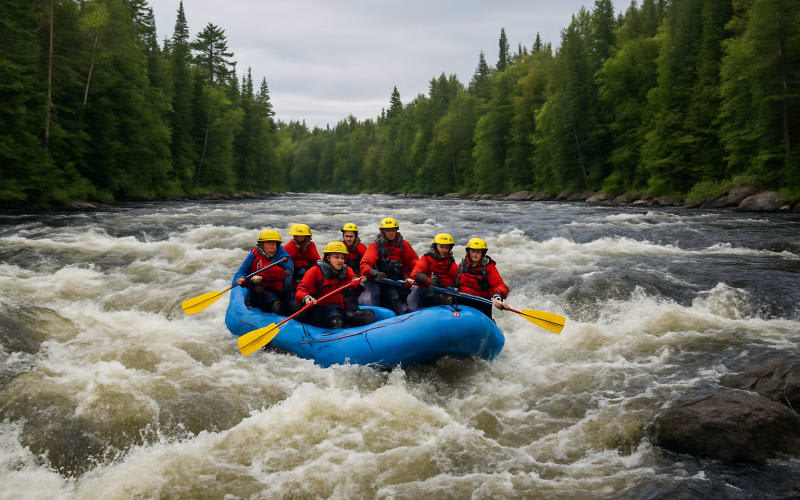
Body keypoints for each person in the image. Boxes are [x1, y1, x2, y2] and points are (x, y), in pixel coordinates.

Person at [295, 242, 376, 329]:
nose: (340, 260)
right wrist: (306, 297)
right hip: (322, 309)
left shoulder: (347, 270)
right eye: (336, 257)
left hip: (342, 308)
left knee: (368, 317)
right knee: (336, 320)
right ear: (328, 258)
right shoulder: (314, 271)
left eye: (342, 258)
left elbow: (354, 285)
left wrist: (359, 286)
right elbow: (300, 291)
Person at [359, 217, 419, 315]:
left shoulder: (404, 245)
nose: (391, 233)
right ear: (383, 232)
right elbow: (365, 264)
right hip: (382, 280)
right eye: (388, 231)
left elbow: (415, 262)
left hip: (400, 280)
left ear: (396, 231)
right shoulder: (374, 246)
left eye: (393, 230)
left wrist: (414, 277)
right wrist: (375, 273)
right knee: (393, 296)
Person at [233, 229, 297, 314]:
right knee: (260, 291)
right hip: (260, 290)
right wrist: (240, 278)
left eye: (274, 243)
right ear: (262, 245)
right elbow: (242, 271)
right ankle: (276, 306)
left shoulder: (283, 257)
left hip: (280, 289)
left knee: (292, 304)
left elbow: (287, 274)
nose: (272, 247)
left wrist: (262, 278)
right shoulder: (254, 254)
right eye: (269, 243)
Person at [455, 237, 509, 319]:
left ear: (482, 253)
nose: (475, 254)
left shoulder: (488, 267)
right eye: (473, 251)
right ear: (468, 252)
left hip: (481, 304)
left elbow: (500, 285)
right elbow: (449, 279)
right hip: (462, 303)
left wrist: (497, 297)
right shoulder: (461, 266)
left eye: (478, 252)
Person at [406, 233, 459, 310]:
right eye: (441, 247)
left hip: (443, 292)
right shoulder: (427, 258)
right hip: (426, 288)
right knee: (412, 304)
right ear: (436, 246)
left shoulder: (451, 263)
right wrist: (429, 281)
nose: (444, 250)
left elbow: (458, 281)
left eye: (446, 248)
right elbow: (416, 273)